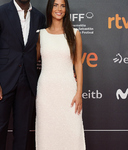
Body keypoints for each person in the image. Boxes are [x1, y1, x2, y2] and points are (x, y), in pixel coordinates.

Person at [0, 0, 45, 149]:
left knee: (23, 133)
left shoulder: (39, 17)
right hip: (2, 82)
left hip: (28, 81)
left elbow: (43, 49)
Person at [35, 0, 86, 149]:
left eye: (62, 5)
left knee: (72, 131)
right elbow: (30, 62)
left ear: (66, 9)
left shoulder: (75, 33)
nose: (59, 9)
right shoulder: (41, 35)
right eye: (56, 5)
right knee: (47, 132)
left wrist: (79, 92)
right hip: (46, 92)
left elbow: (78, 64)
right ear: (50, 8)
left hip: (68, 91)